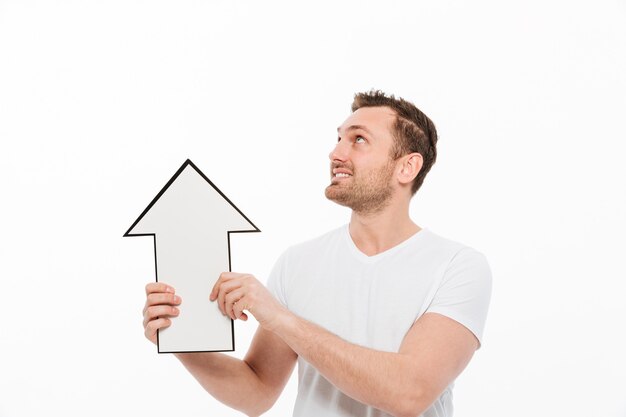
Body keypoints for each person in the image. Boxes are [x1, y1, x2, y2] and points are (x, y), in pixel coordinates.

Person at [142, 90, 492, 417]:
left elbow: (409, 393)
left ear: (407, 167)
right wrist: (180, 340)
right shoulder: (298, 263)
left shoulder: (457, 267)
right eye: (338, 138)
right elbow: (257, 391)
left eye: (358, 140)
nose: (336, 153)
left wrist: (280, 317)